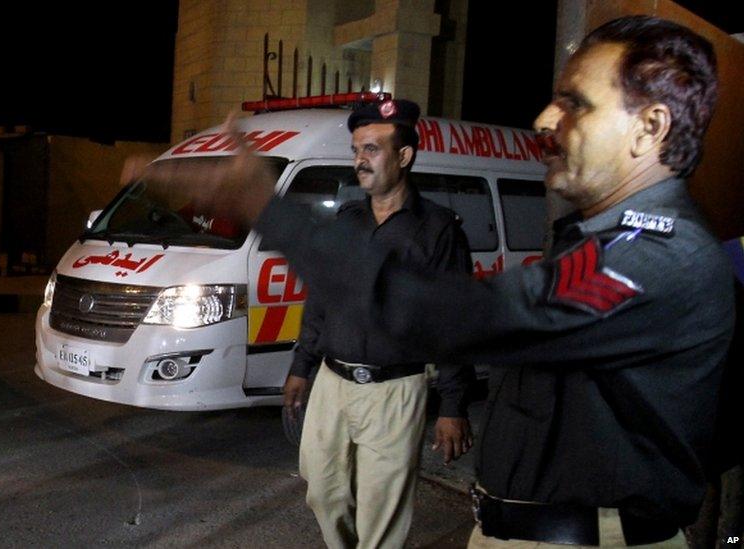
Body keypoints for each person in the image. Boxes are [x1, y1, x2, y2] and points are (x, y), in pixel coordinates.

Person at [127, 14, 734, 547]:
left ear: (650, 128)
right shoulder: (602, 240)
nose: (546, 117)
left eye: (576, 102)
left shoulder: (653, 255)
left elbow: (455, 315)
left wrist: (267, 206)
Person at [281, 99, 476, 548]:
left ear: (404, 156)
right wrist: (301, 365)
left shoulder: (438, 231)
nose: (359, 161)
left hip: (394, 391)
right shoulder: (346, 222)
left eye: (371, 150)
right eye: (356, 150)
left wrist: (452, 405)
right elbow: (322, 300)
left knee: (380, 511)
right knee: (323, 492)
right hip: (333, 382)